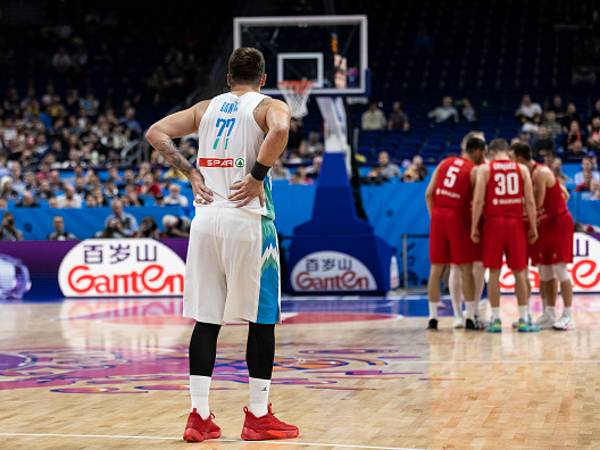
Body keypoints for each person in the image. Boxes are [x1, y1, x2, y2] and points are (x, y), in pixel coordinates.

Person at [145, 47, 299, 443]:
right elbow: (281, 129)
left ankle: (198, 416)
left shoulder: (204, 108)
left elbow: (155, 132)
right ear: (262, 78)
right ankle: (259, 416)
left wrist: (190, 172)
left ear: (228, 78)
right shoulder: (267, 105)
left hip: (206, 220)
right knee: (261, 319)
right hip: (248, 222)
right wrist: (256, 175)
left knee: (207, 319)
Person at [471, 139, 538, 333]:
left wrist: (474, 226)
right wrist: (533, 227)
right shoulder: (522, 170)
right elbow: (530, 202)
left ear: (491, 153)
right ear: (507, 152)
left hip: (494, 225)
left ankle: (496, 319)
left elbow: (478, 202)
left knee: (493, 273)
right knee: (520, 273)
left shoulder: (486, 170)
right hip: (515, 224)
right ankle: (524, 318)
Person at [425, 136, 486, 330]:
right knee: (465, 268)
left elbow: (428, 193)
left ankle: (433, 318)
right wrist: (475, 226)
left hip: (438, 216)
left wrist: (433, 218)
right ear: (477, 151)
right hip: (457, 217)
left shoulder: (444, 162)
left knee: (436, 269)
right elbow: (478, 201)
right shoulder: (474, 170)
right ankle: (469, 316)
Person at [512, 144, 575, 330]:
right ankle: (549, 313)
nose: (510, 163)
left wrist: (512, 204)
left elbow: (537, 203)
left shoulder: (540, 173)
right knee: (545, 272)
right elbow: (564, 194)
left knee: (560, 269)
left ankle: (568, 315)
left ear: (520, 159)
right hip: (544, 225)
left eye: (512, 158)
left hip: (558, 223)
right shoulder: (529, 174)